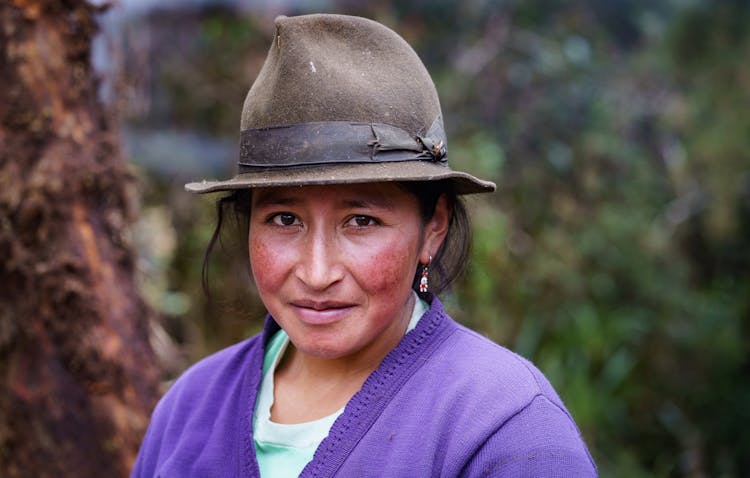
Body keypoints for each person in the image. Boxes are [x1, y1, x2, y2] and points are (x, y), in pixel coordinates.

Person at [131, 13, 597, 478]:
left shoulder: (505, 430)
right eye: (285, 219)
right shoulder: (190, 409)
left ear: (432, 227)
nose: (316, 273)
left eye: (361, 221)